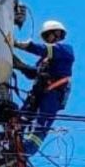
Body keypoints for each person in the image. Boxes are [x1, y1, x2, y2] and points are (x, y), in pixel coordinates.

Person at [12, 19, 75, 155]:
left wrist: (16, 43)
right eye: (45, 36)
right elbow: (33, 72)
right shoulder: (45, 60)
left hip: (53, 94)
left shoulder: (65, 50)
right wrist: (15, 62)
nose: (47, 39)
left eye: (49, 35)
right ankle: (11, 142)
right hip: (39, 94)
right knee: (20, 118)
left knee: (40, 125)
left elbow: (41, 49)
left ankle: (27, 149)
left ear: (58, 34)